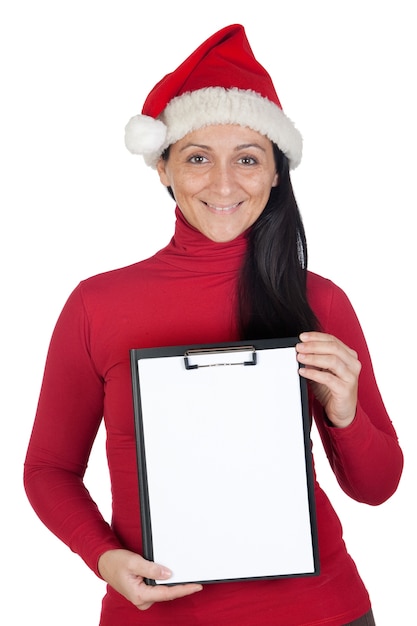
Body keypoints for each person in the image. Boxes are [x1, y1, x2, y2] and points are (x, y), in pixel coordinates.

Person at [24, 24, 403, 626]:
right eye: (197, 157)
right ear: (163, 171)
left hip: (322, 611)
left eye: (247, 159)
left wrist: (345, 413)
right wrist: (103, 558)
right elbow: (48, 469)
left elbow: (377, 487)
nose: (223, 184)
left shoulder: (320, 301)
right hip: (154, 614)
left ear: (277, 173)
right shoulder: (96, 304)